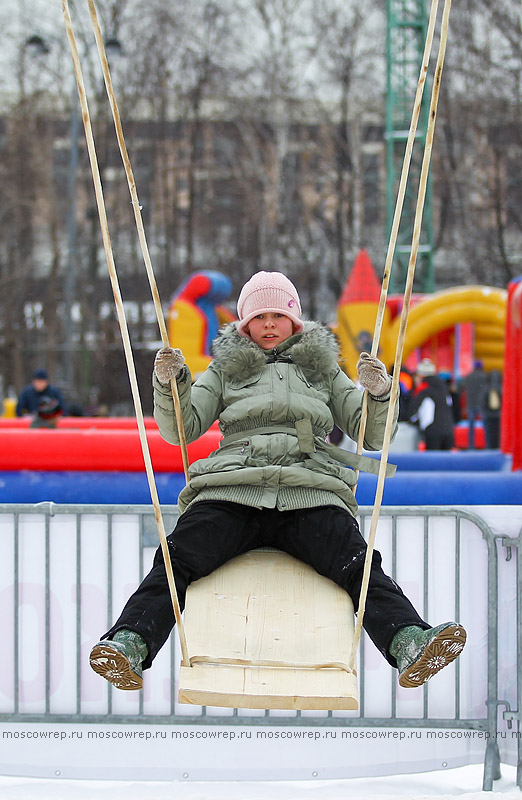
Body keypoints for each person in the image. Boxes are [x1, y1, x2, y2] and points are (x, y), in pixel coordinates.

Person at [89, 272, 466, 693]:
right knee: (178, 556)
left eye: (278, 315)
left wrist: (379, 396)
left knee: (356, 562)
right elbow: (182, 428)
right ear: (245, 324)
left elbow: (371, 435)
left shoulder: (323, 369)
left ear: (295, 321)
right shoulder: (226, 368)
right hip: (234, 487)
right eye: (260, 316)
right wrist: (170, 384)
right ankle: (130, 642)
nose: (269, 324)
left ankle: (408, 640)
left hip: (309, 489)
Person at [408, 359, 455, 450]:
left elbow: (413, 413)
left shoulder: (423, 389)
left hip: (433, 432)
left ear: (420, 375)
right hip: (448, 430)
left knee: (434, 462)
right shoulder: (444, 388)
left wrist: (414, 422)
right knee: (446, 462)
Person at [462, 360, 488, 449]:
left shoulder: (469, 377)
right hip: (482, 404)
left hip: (471, 403)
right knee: (486, 427)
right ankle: (487, 445)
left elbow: (461, 386)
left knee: (471, 428)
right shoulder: (485, 377)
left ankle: (471, 446)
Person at [481, 370, 502, 449]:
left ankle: (490, 448)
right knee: (498, 436)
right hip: (498, 416)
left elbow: (483, 403)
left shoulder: (486, 389)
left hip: (489, 416)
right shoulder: (501, 389)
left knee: (490, 436)